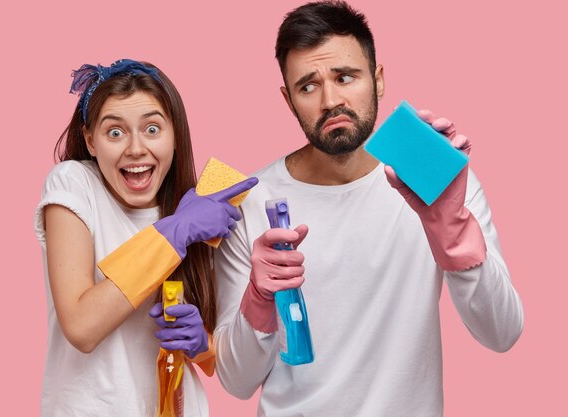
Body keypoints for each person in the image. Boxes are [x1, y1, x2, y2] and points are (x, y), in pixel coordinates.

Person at [212, 2, 524, 416]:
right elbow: (236, 382)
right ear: (288, 100)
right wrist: (258, 299)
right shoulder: (250, 200)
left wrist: (453, 234)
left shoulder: (436, 182)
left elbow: (502, 333)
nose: (330, 100)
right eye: (308, 86)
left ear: (378, 80)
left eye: (345, 77)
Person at [34, 59, 257, 416]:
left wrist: (203, 344)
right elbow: (81, 326)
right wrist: (176, 231)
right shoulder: (73, 183)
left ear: (175, 136)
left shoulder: (200, 209)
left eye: (152, 129)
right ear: (90, 140)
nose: (136, 148)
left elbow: (230, 368)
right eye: (115, 133)